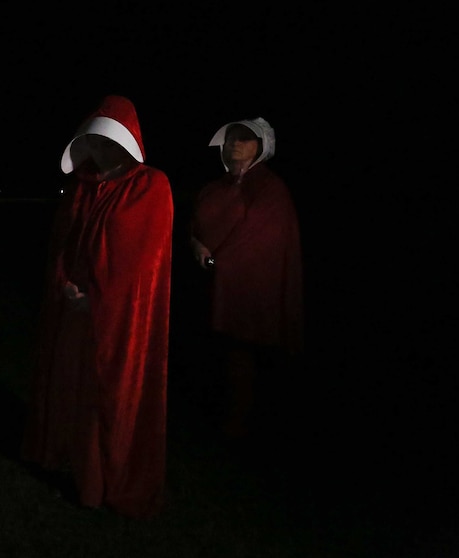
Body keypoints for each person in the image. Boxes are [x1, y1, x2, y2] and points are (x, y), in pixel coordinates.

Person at [21, 95, 174, 518]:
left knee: (99, 397)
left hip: (113, 319)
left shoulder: (150, 186)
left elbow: (139, 260)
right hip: (73, 310)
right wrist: (64, 285)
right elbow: (63, 245)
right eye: (97, 142)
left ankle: (96, 481)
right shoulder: (83, 186)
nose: (102, 151)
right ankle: (61, 460)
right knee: (67, 387)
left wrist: (96, 297)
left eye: (110, 143)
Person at [188, 117, 303, 443]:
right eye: (230, 138)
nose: (234, 144)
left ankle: (237, 429)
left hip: (246, 289)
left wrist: (215, 262)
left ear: (262, 146)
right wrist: (195, 244)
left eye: (244, 139)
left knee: (241, 358)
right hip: (208, 283)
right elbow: (196, 223)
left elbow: (261, 238)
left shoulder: (270, 189)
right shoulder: (215, 186)